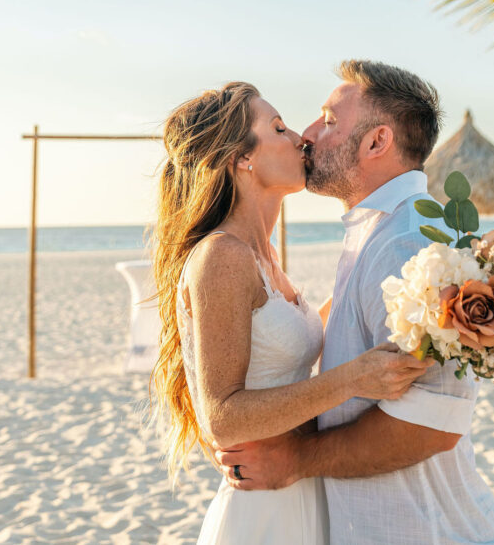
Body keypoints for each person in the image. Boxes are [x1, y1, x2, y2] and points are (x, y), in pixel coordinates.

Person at [214, 61, 494, 544]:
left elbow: (432, 425)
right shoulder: (378, 231)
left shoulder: (404, 244)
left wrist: (295, 459)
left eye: (329, 121)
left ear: (377, 142)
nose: (306, 135)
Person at [150, 81, 433, 544]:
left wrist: (434, 289)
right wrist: (355, 378)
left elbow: (324, 320)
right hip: (265, 512)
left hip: (302, 493)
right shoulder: (222, 256)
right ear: (242, 157)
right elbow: (223, 417)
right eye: (278, 128)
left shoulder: (264, 257)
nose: (300, 137)